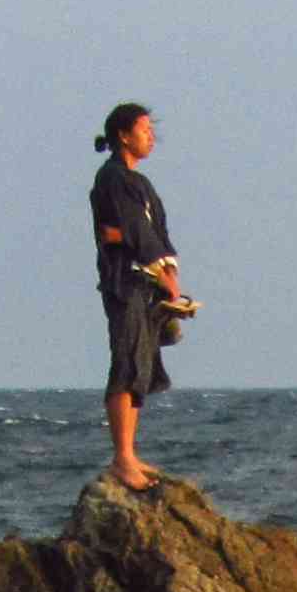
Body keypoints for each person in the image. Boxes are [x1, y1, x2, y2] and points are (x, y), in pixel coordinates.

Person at [89, 102, 182, 491]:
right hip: (124, 280)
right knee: (126, 361)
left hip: (147, 282)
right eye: (144, 129)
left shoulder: (141, 184)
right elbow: (128, 233)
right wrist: (161, 272)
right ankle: (121, 457)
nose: (151, 136)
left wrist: (170, 274)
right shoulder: (111, 178)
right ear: (123, 135)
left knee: (142, 366)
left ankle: (130, 452)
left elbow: (156, 232)